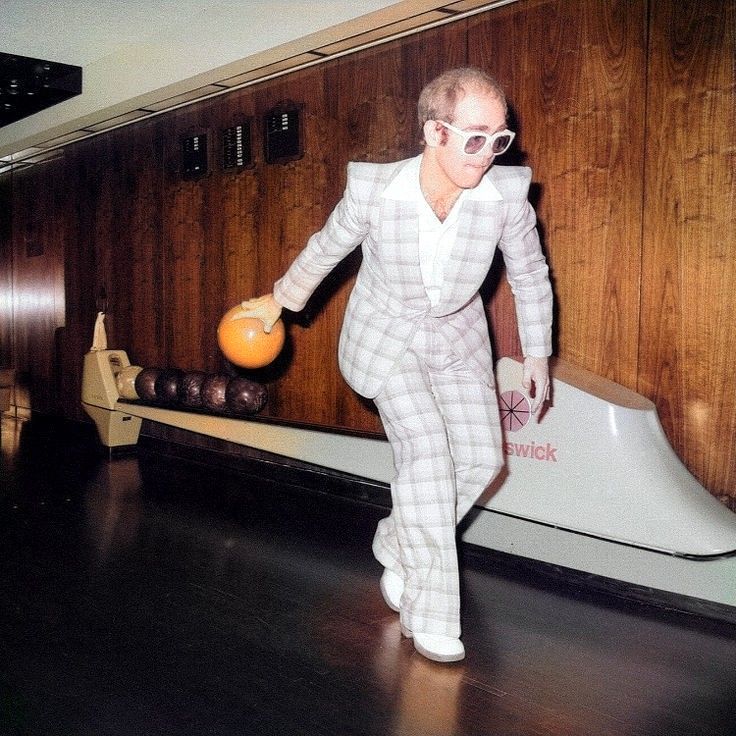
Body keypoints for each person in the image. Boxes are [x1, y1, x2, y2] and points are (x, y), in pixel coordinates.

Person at [239, 67, 553, 663]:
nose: (488, 153)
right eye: (474, 137)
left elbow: (531, 273)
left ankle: (398, 541)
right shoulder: (376, 192)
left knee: (484, 459)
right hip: (386, 339)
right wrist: (278, 301)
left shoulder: (505, 198)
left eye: (499, 139)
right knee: (428, 456)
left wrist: (536, 351)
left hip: (458, 340)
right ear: (435, 133)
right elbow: (327, 246)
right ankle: (429, 612)